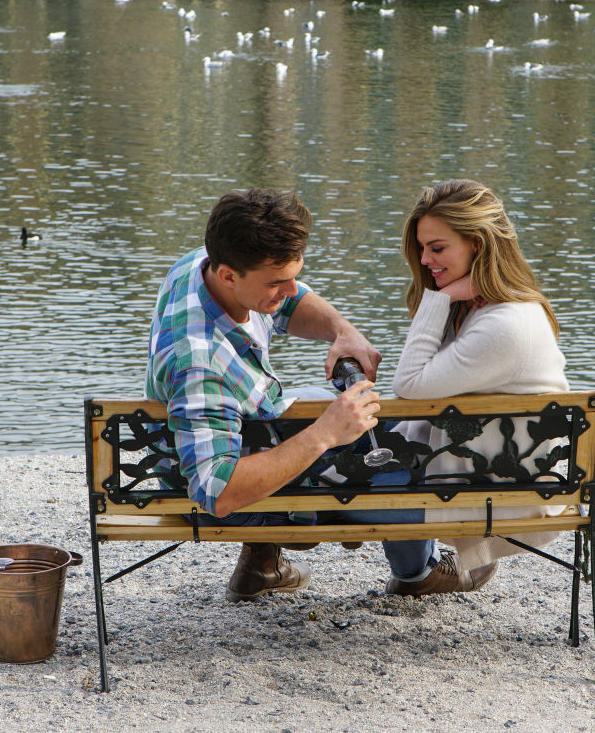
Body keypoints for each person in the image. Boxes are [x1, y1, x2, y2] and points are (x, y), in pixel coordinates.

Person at [146, 188, 495, 602]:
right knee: (397, 467)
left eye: (294, 274)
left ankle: (262, 564)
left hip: (220, 440)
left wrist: (342, 331)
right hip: (221, 497)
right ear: (228, 275)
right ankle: (418, 573)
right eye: (277, 282)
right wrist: (326, 434)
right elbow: (216, 492)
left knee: (316, 404)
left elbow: (290, 303)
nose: (291, 289)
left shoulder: (201, 265)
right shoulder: (200, 364)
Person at [391, 179, 570, 572]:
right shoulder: (486, 308)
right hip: (479, 465)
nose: (424, 260)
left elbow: (408, 385)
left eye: (437, 248)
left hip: (492, 486)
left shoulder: (504, 324)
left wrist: (438, 299)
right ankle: (417, 574)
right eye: (422, 248)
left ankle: (418, 574)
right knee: (328, 421)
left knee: (314, 451)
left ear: (477, 243)